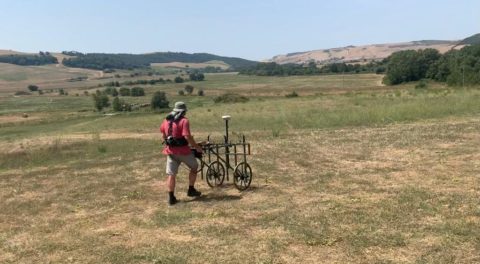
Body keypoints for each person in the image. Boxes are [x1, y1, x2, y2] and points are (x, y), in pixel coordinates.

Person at [160, 101, 203, 205]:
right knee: (194, 166)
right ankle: (191, 190)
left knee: (171, 174)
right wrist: (197, 147)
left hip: (170, 152)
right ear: (183, 111)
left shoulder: (166, 120)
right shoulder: (184, 121)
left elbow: (163, 134)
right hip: (183, 151)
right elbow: (187, 137)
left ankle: (171, 197)